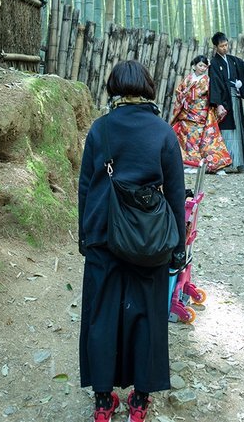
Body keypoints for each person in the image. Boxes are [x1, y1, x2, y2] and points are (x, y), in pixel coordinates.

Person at [78, 60, 187, 422]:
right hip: (149, 238)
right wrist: (178, 246)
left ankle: (102, 401)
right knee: (147, 315)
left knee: (101, 316)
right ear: (148, 88)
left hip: (103, 233)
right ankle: (139, 402)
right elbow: (174, 194)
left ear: (114, 89)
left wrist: (85, 235)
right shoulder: (163, 132)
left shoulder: (100, 130)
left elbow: (85, 188)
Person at [207, 31, 244, 173]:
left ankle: (241, 164)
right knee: (225, 131)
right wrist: (218, 104)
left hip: (235, 99)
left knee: (238, 129)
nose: (225, 48)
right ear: (215, 47)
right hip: (224, 101)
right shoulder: (214, 63)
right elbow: (215, 84)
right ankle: (222, 165)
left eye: (226, 45)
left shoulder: (232, 60)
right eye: (221, 46)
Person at [169, 55, 233, 175]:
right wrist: (184, 95)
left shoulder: (208, 80)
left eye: (204, 66)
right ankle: (191, 164)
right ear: (194, 66)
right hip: (187, 114)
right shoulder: (188, 79)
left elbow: (214, 94)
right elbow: (179, 92)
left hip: (202, 113)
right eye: (200, 65)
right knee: (188, 140)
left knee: (206, 139)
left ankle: (214, 165)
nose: (203, 68)